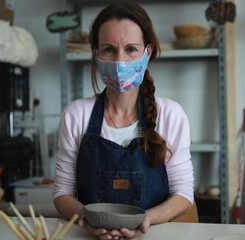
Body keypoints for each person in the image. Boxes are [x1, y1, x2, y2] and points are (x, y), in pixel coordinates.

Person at [53, 1, 194, 239]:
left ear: (147, 53)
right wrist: (90, 220)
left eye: (130, 49)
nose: (120, 61)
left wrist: (143, 221)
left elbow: (184, 194)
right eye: (109, 49)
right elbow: (62, 194)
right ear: (96, 53)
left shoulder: (171, 115)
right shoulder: (76, 115)